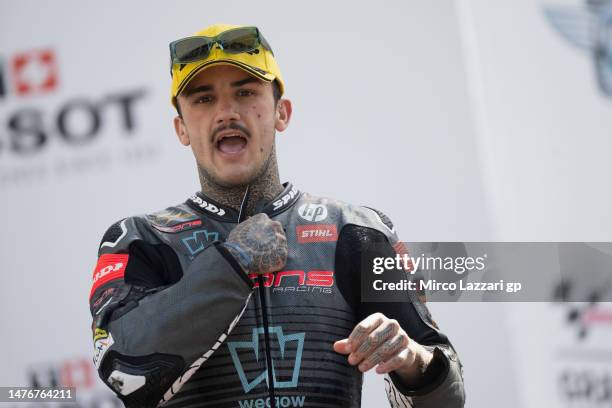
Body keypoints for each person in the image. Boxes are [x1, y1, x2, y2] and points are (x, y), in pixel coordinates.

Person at [88, 24, 465, 408]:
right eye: (203, 99)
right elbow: (126, 369)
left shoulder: (356, 232)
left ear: (281, 113)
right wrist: (232, 264)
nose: (226, 112)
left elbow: (448, 398)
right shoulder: (142, 239)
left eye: (246, 92)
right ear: (181, 129)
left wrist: (413, 361)